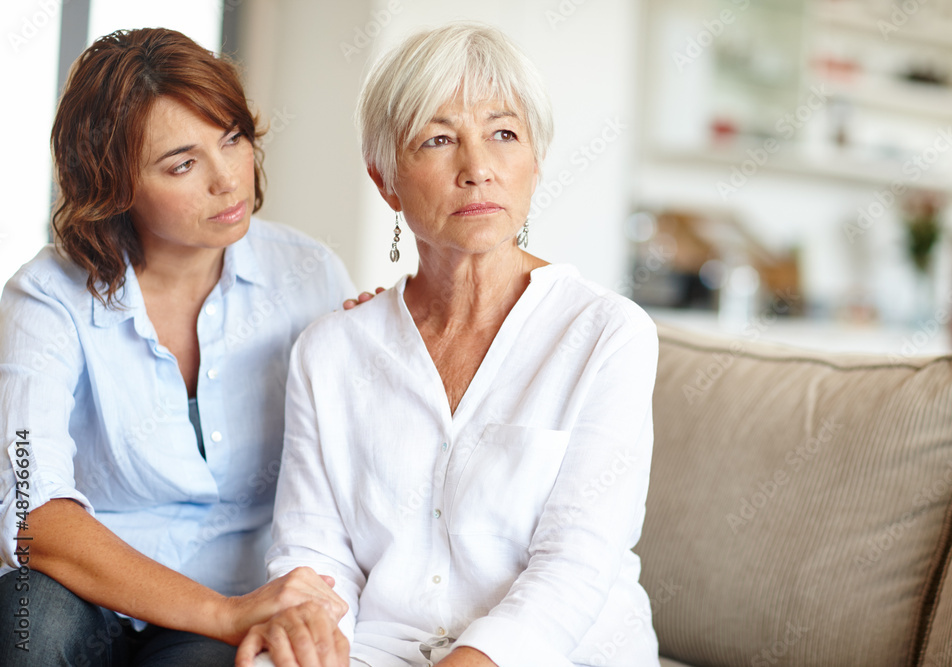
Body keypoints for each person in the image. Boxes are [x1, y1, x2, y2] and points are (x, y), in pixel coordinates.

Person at [238, 22, 660, 667]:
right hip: (382, 648)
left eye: (503, 134)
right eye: (438, 140)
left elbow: (577, 560)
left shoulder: (607, 333)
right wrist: (308, 640)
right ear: (386, 181)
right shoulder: (330, 351)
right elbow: (314, 549)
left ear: (536, 161)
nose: (477, 169)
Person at [0, 28, 355, 666]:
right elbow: (29, 510)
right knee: (25, 624)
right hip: (91, 590)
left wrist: (382, 351)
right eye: (182, 164)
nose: (228, 181)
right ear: (113, 183)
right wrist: (225, 612)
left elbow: (355, 461)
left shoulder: (309, 274)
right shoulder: (45, 297)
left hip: (236, 587)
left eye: (233, 139)